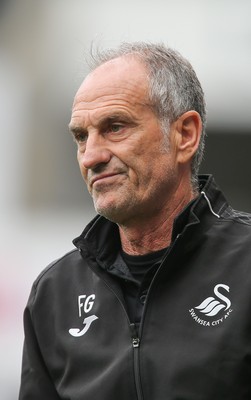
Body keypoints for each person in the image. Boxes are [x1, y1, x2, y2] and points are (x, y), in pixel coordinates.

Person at [19, 42, 251, 400]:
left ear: (185, 135)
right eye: (81, 137)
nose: (91, 156)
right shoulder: (54, 293)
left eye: (114, 127)